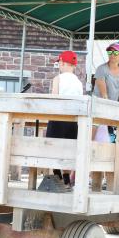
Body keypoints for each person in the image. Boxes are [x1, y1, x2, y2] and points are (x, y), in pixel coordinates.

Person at [46, 50, 83, 187]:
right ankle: (67, 180)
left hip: (58, 117)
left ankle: (57, 178)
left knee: (53, 148)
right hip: (73, 121)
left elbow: (54, 98)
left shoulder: (58, 79)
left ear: (62, 63)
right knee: (69, 150)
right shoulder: (78, 83)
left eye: (59, 63)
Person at [93, 42, 119, 143]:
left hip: (110, 110)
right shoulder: (101, 69)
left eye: (115, 52)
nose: (112, 55)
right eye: (110, 52)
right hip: (97, 108)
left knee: (111, 140)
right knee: (92, 139)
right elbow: (104, 94)